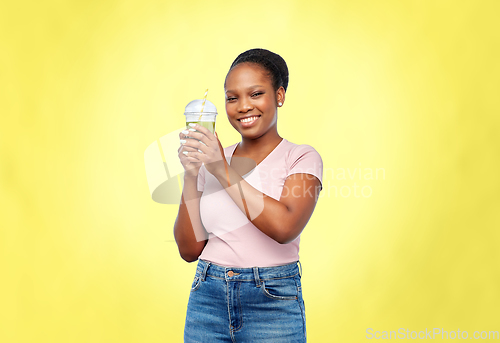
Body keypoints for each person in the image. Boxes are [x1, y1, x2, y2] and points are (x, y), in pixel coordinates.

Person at [174, 48, 323, 342]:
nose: (243, 106)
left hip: (272, 301)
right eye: (232, 98)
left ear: (279, 95)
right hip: (207, 297)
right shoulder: (213, 161)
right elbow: (189, 251)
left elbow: (284, 227)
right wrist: (192, 174)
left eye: (255, 94)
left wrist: (221, 169)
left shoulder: (301, 157)